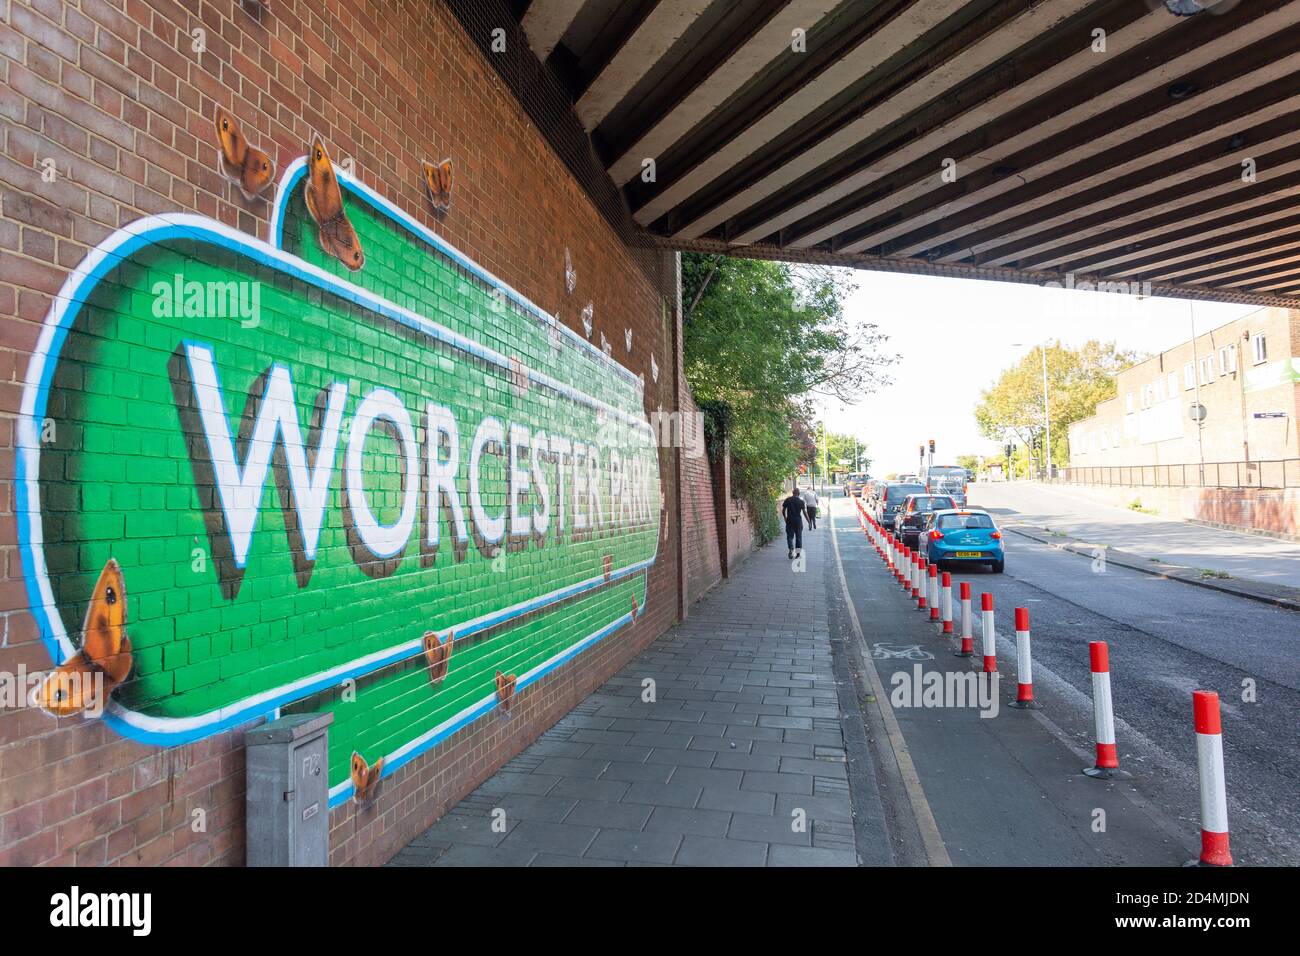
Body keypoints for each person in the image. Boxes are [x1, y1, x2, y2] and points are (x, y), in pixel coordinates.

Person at [781, 486, 807, 559]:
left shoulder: (788, 500)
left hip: (789, 520)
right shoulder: (801, 501)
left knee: (790, 536)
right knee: (798, 537)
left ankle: (791, 548)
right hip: (798, 521)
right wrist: (809, 521)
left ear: (793, 493)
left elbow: (783, 510)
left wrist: (785, 518)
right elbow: (804, 512)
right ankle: (798, 553)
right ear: (798, 494)